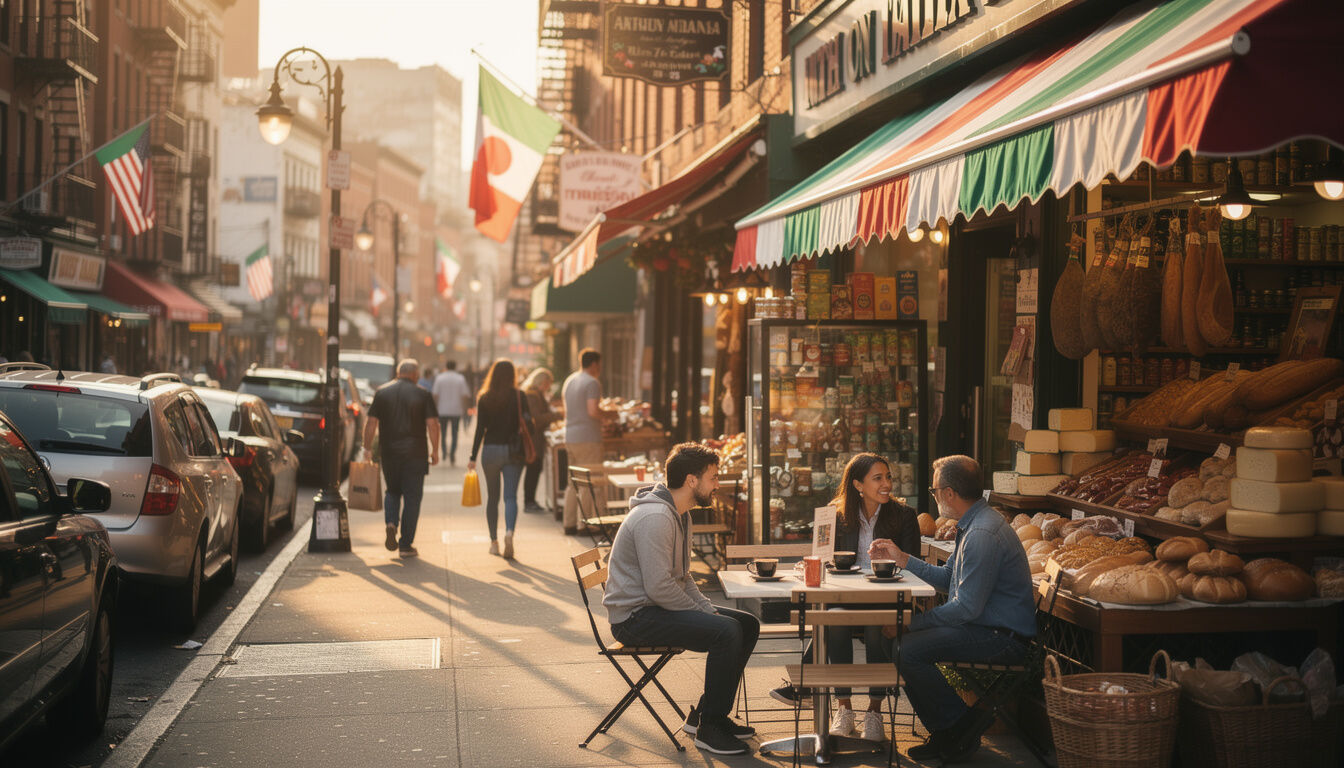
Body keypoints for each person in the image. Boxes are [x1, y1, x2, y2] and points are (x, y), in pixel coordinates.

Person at [868, 455, 1035, 763]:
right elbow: (949, 579)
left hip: (1001, 638)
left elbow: (965, 609)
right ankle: (949, 731)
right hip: (985, 627)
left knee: (906, 648)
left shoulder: (982, 533)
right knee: (897, 644)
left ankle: (959, 728)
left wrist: (911, 624)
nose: (934, 497)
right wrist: (902, 557)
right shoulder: (974, 523)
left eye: (934, 491)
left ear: (948, 494)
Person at [604, 443, 760, 756]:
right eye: (713, 478)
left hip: (654, 608)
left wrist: (705, 611)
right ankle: (710, 729)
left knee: (746, 623)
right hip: (634, 618)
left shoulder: (679, 514)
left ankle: (706, 714)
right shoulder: (656, 518)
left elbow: (682, 578)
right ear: (691, 480)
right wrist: (709, 619)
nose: (717, 485)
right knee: (727, 631)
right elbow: (660, 588)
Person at [770, 453, 921, 739]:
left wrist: (895, 555)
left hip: (885, 599)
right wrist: (811, 562)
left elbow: (914, 569)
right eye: (878, 478)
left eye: (888, 477)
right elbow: (821, 559)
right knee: (834, 620)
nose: (887, 483)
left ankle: (874, 712)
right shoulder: (833, 514)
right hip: (844, 595)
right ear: (857, 484)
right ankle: (844, 709)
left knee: (877, 626)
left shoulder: (904, 516)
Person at [363, 359, 440, 558]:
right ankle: (405, 544)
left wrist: (367, 448)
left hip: (389, 452)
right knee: (413, 498)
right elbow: (433, 425)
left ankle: (391, 523)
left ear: (398, 373)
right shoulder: (423, 394)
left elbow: (371, 422)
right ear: (415, 375)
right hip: (415, 453)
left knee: (393, 491)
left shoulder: (382, 392)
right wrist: (435, 450)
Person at [467, 359, 531, 559]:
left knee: (493, 498)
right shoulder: (520, 396)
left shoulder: (485, 397)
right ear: (513, 375)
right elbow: (530, 423)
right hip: (514, 451)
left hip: (491, 451)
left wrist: (472, 456)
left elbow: (480, 430)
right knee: (510, 497)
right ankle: (509, 532)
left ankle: (493, 542)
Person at [561, 348, 604, 535]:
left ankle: (569, 523)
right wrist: (610, 415)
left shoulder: (570, 380)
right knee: (590, 480)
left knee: (573, 482)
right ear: (594, 364)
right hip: (588, 437)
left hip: (570, 436)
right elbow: (593, 411)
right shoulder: (592, 382)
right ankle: (585, 524)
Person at [519, 367, 559, 513]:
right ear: (542, 382)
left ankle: (531, 500)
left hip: (535, 437)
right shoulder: (532, 395)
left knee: (534, 469)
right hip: (532, 439)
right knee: (533, 469)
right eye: (548, 383)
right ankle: (529, 501)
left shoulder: (535, 394)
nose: (548, 387)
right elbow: (537, 417)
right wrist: (556, 416)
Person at [431, 361, 472, 466]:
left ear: (446, 366)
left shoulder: (440, 378)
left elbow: (435, 395)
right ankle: (452, 453)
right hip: (456, 410)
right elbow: (465, 395)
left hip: (442, 410)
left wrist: (434, 408)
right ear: (455, 367)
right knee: (455, 433)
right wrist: (465, 408)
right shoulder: (460, 378)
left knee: (443, 433)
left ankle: (444, 452)